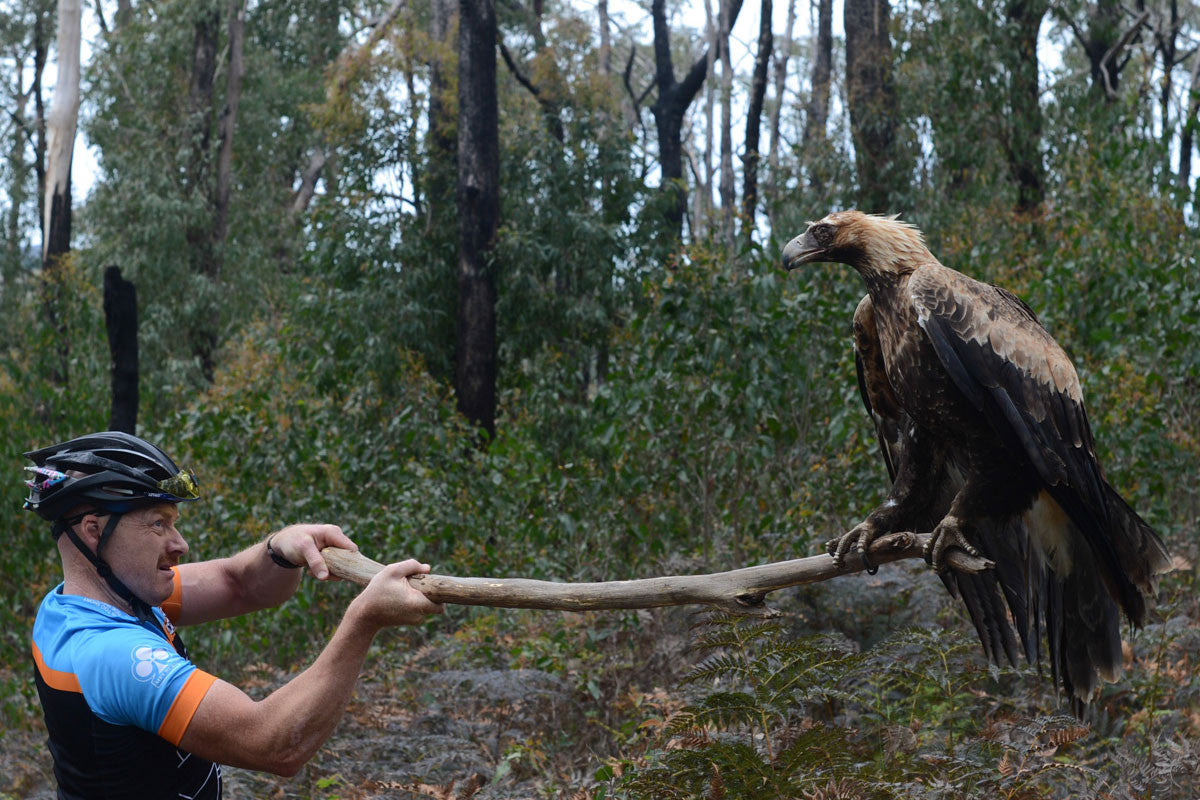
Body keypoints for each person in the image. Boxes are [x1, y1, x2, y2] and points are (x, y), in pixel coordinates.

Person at [24, 431, 443, 799]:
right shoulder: (112, 654)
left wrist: (281, 547)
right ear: (94, 531)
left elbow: (237, 584)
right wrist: (364, 619)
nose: (180, 544)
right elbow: (273, 743)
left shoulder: (74, 606)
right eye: (158, 524)